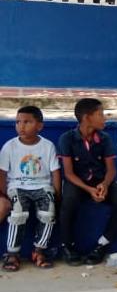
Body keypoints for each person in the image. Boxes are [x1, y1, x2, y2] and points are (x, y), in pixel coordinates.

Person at [57, 98, 117, 265]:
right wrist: (88, 189)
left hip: (100, 180)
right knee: (68, 200)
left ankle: (102, 244)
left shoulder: (104, 138)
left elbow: (111, 169)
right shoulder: (67, 139)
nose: (104, 118)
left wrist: (104, 185)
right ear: (86, 118)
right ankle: (67, 246)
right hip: (78, 182)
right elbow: (68, 173)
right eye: (100, 114)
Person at [0, 106, 61, 270]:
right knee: (18, 211)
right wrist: (4, 194)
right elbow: (2, 174)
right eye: (18, 122)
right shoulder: (10, 146)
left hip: (42, 186)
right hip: (17, 186)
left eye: (27, 122)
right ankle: (12, 253)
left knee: (48, 211)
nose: (21, 126)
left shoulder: (47, 146)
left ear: (39, 126)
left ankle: (39, 251)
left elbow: (55, 172)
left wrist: (57, 194)